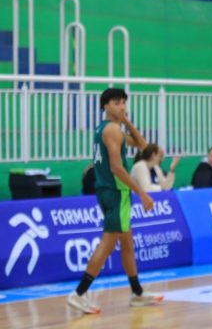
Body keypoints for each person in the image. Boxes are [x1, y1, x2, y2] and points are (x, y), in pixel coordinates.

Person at [66, 88, 163, 314]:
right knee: (108, 244)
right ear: (105, 106)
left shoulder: (108, 128)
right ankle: (79, 293)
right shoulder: (112, 130)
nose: (122, 106)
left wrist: (126, 121)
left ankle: (137, 293)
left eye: (123, 103)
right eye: (117, 103)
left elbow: (143, 145)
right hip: (116, 193)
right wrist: (142, 193)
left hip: (109, 191)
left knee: (127, 243)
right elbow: (116, 168)